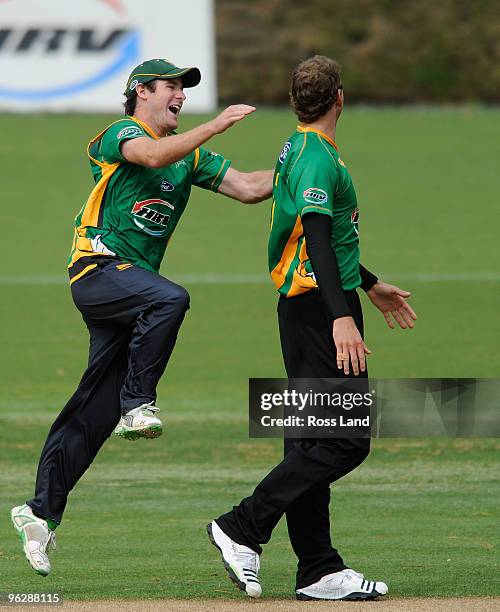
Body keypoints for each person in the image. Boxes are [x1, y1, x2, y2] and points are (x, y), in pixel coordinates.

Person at [11, 58, 273, 577]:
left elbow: (246, 187)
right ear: (141, 93)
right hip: (97, 270)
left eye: (183, 88)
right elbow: (151, 156)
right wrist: (216, 124)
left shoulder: (189, 157)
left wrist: (298, 168)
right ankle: (140, 403)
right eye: (171, 86)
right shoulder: (122, 134)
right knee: (170, 299)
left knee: (92, 412)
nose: (180, 95)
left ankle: (39, 511)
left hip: (130, 288)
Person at [207, 55, 417, 601]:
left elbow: (319, 238)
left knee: (311, 439)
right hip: (318, 309)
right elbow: (318, 240)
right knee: (346, 441)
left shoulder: (298, 149)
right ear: (339, 99)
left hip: (313, 301)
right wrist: (343, 317)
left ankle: (319, 568)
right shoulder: (318, 159)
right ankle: (241, 526)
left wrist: (368, 284)